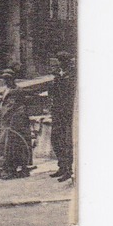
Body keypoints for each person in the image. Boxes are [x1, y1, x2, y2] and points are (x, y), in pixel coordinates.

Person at [0, 69, 32, 178]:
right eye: (4, 79)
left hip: (14, 122)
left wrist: (7, 116)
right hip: (5, 122)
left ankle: (12, 169)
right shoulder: (5, 90)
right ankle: (8, 168)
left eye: (8, 79)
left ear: (13, 79)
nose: (6, 81)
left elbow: (13, 107)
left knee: (12, 146)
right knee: (4, 145)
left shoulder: (17, 90)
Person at [49, 51, 75, 182]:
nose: (58, 65)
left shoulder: (71, 76)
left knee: (66, 142)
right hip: (57, 113)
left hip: (66, 113)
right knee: (56, 139)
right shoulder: (58, 76)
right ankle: (62, 166)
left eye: (59, 62)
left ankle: (68, 169)